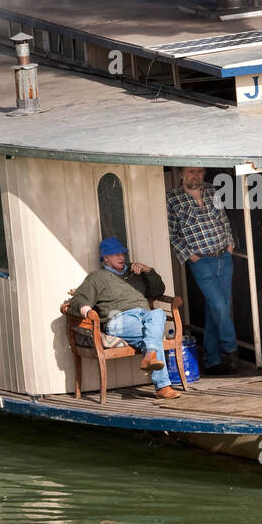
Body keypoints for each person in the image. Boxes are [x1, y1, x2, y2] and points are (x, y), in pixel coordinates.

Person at [68, 237, 179, 400]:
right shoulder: (98, 277)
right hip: (119, 320)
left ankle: (151, 357)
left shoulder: (133, 273)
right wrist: (86, 309)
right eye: (116, 255)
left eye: (123, 254)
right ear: (106, 258)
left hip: (144, 317)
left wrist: (147, 271)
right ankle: (162, 386)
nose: (122, 258)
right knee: (152, 334)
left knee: (158, 314)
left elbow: (157, 291)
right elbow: (79, 299)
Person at [167, 166, 239, 374]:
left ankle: (212, 359)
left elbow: (223, 220)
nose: (195, 175)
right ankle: (231, 349)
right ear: (181, 173)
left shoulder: (211, 190)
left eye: (199, 172)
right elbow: (172, 234)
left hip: (223, 257)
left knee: (215, 309)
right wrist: (191, 256)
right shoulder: (172, 198)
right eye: (191, 171)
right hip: (201, 262)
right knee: (220, 306)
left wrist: (229, 245)